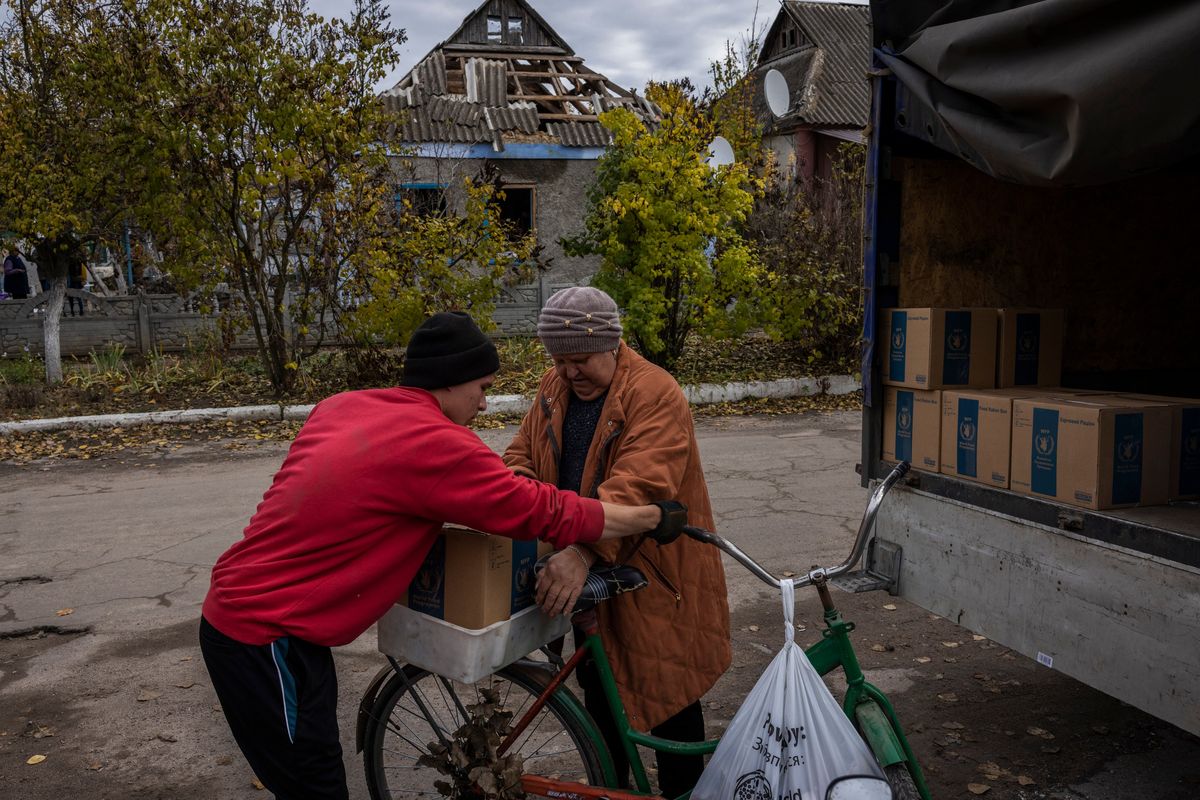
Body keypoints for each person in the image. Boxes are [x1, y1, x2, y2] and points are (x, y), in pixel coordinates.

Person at [199, 311, 686, 800]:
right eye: (482, 386)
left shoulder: (342, 406)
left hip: (283, 623)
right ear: (452, 383)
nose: (484, 400)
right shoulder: (436, 444)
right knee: (314, 786)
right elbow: (545, 512)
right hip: (260, 635)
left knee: (321, 764)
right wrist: (648, 518)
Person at [504, 287, 732, 798]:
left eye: (579, 359)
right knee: (600, 696)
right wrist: (520, 506)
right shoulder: (553, 388)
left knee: (671, 696)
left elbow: (640, 486)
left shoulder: (654, 392)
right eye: (559, 361)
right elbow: (520, 455)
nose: (568, 373)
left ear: (612, 345)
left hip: (650, 575)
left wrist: (584, 552)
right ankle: (612, 790)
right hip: (580, 577)